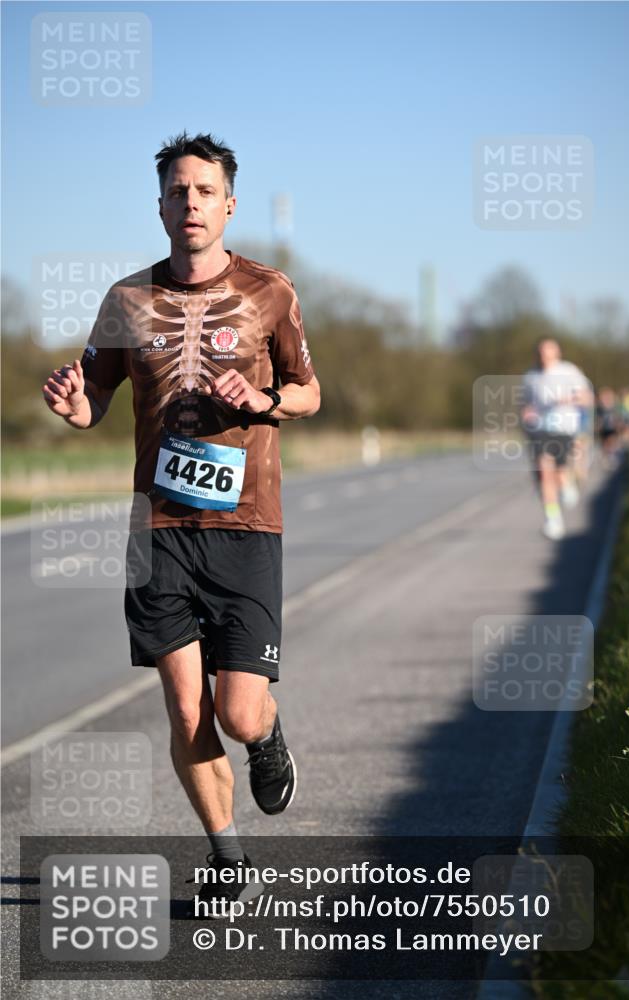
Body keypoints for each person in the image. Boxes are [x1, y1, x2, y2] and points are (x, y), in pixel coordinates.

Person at [42, 132, 321, 910]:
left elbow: (308, 392)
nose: (190, 202)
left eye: (205, 191)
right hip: (156, 530)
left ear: (228, 204)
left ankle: (265, 737)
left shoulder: (271, 291)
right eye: (177, 191)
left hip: (246, 525)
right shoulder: (127, 300)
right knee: (184, 706)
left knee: (235, 709)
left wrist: (265, 402)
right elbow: (93, 400)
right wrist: (75, 407)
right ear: (159, 205)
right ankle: (228, 861)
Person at [521, 338, 592, 540]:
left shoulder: (569, 371)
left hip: (564, 427)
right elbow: (526, 403)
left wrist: (567, 400)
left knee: (559, 473)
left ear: (557, 353)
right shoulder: (531, 376)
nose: (544, 355)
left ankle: (567, 484)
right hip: (540, 429)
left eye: (548, 351)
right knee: (544, 471)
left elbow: (587, 398)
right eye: (541, 351)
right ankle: (553, 520)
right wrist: (526, 413)